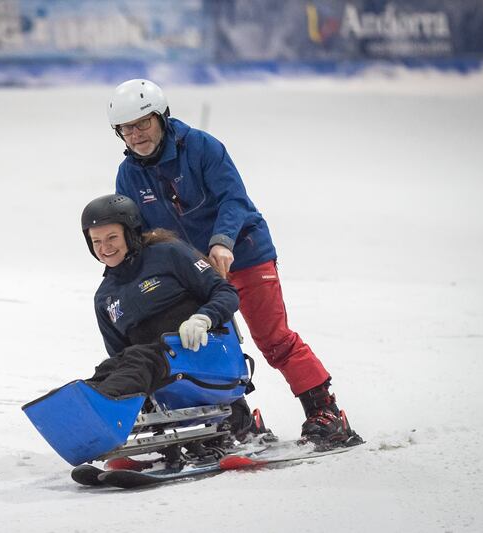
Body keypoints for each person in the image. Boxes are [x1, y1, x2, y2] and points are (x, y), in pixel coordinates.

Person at [106, 79, 361, 448]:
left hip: (244, 249)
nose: (136, 134)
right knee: (199, 342)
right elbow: (140, 235)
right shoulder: (128, 174)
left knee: (273, 339)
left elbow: (234, 199)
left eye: (143, 123)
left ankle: (325, 412)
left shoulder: (202, 147)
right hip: (191, 267)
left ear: (162, 117)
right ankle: (234, 417)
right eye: (126, 128)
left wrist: (222, 243)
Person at [81, 193, 239, 399]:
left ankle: (100, 404)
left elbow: (226, 293)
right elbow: (119, 356)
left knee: (139, 359)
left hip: (199, 353)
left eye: (112, 238)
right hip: (153, 370)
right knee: (110, 368)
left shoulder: (168, 254)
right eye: (96, 241)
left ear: (130, 233)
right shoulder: (104, 297)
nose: (104, 248)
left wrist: (203, 319)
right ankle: (77, 407)